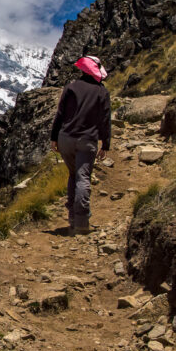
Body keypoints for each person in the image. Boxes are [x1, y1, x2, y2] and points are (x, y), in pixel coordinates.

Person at [50, 55, 111, 236]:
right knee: (83, 177)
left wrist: (54, 138)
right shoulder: (102, 92)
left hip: (65, 138)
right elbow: (105, 119)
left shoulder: (71, 87)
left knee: (73, 174)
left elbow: (60, 115)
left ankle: (72, 218)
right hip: (87, 140)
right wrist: (106, 143)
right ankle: (82, 222)